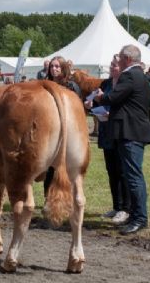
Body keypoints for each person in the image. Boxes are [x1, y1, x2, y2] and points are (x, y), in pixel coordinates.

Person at [94, 45, 150, 235]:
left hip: (130, 133)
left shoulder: (129, 75)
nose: (117, 60)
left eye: (119, 57)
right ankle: (137, 215)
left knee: (133, 177)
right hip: (135, 131)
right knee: (133, 176)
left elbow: (114, 97)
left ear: (126, 58)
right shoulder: (141, 76)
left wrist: (102, 97)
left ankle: (139, 218)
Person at [85, 55, 130, 224]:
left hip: (121, 131)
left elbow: (126, 107)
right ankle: (116, 206)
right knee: (111, 171)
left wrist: (113, 114)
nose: (112, 68)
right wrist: (91, 105)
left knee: (122, 171)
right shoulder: (105, 84)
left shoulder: (125, 84)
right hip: (106, 131)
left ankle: (126, 208)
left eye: (115, 65)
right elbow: (98, 100)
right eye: (111, 65)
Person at [43, 56, 81, 198]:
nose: (54, 69)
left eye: (57, 66)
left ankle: (67, 198)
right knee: (50, 169)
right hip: (50, 131)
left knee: (67, 168)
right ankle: (48, 198)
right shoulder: (45, 84)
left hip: (68, 131)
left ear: (63, 68)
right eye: (52, 66)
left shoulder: (71, 86)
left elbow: (78, 109)